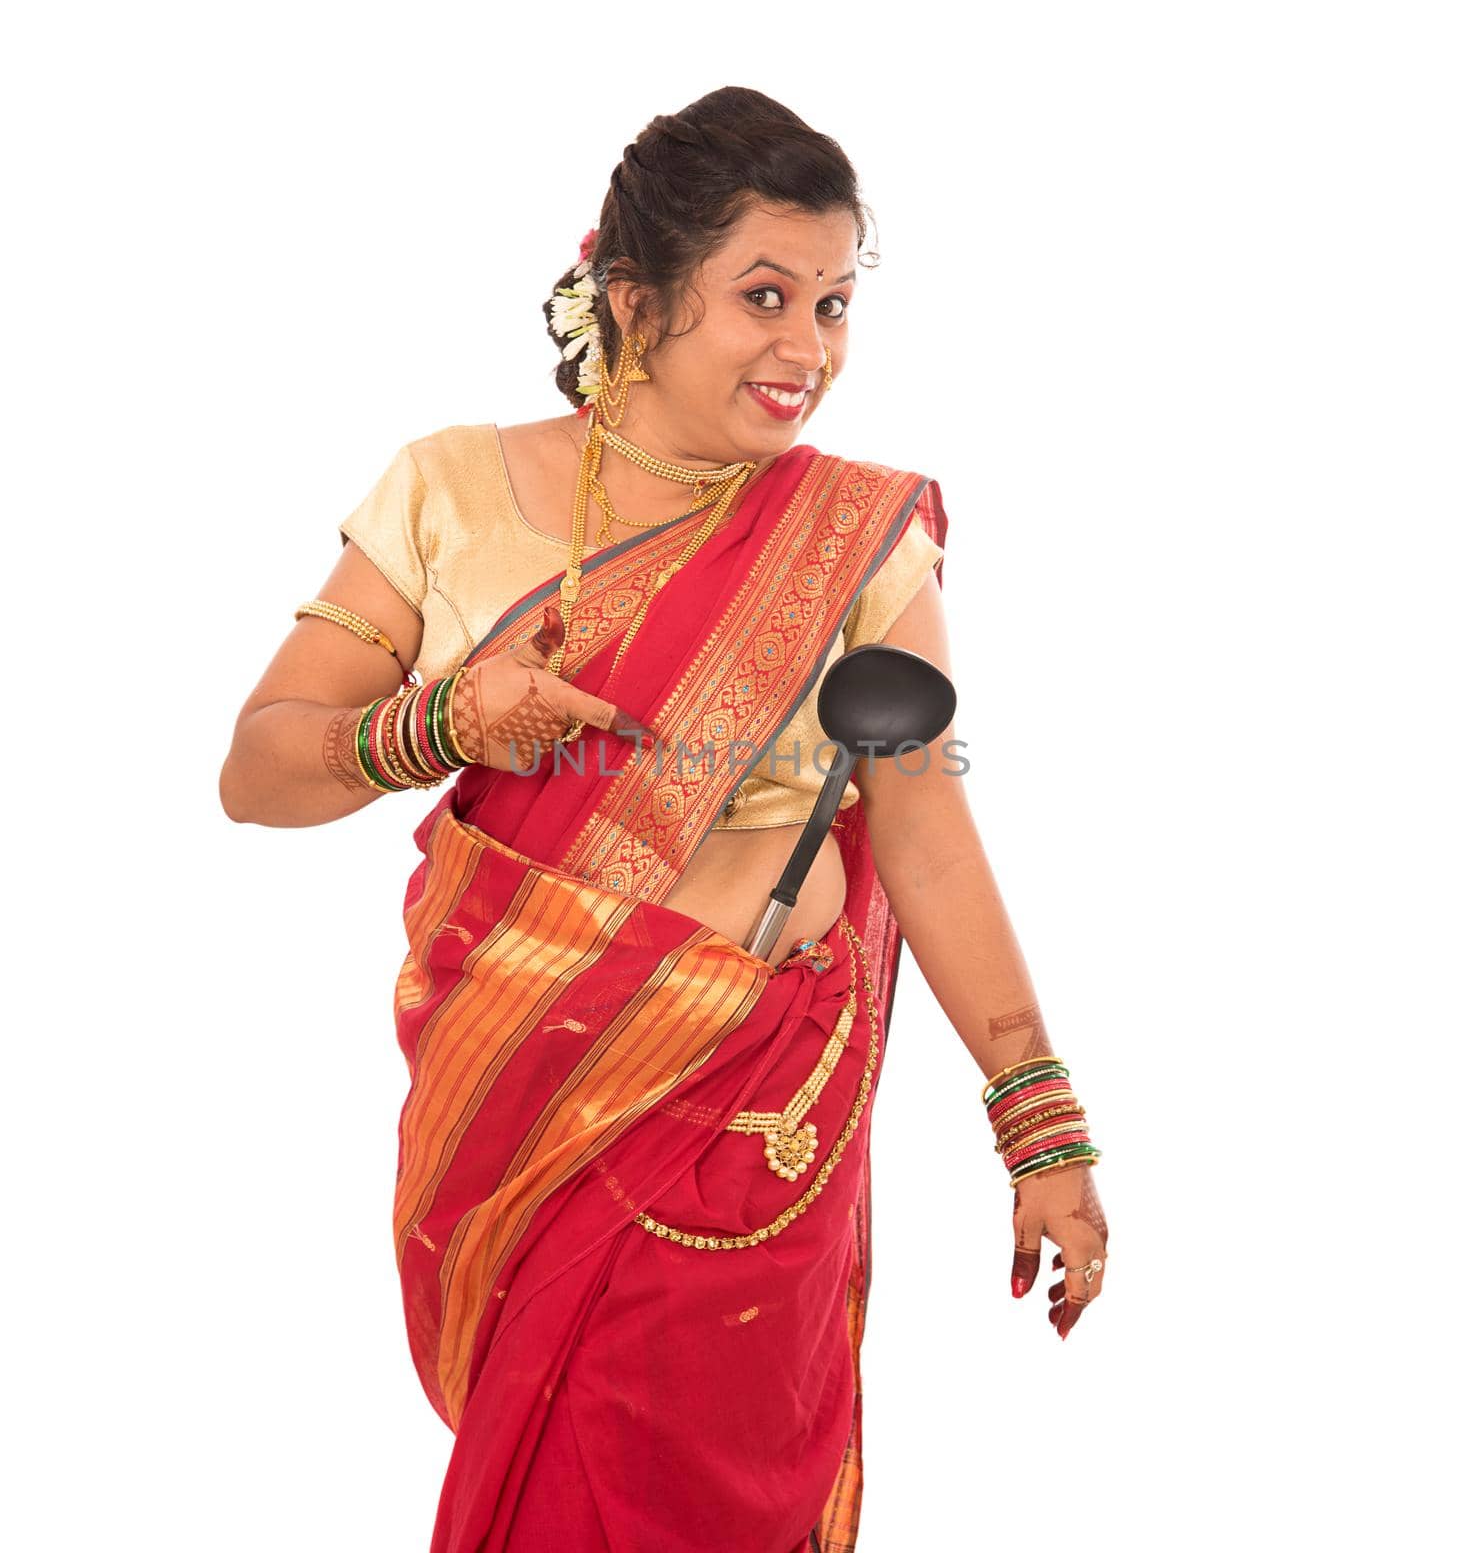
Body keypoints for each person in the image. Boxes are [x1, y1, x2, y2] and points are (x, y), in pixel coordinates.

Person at [219, 85, 1110, 1553]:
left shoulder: (855, 538)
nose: (808, 350)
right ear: (632, 301)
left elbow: (928, 832)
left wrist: (1040, 1120)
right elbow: (259, 770)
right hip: (531, 1107)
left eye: (832, 303)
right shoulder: (453, 489)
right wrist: (441, 721)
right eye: (764, 296)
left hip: (756, 1120)